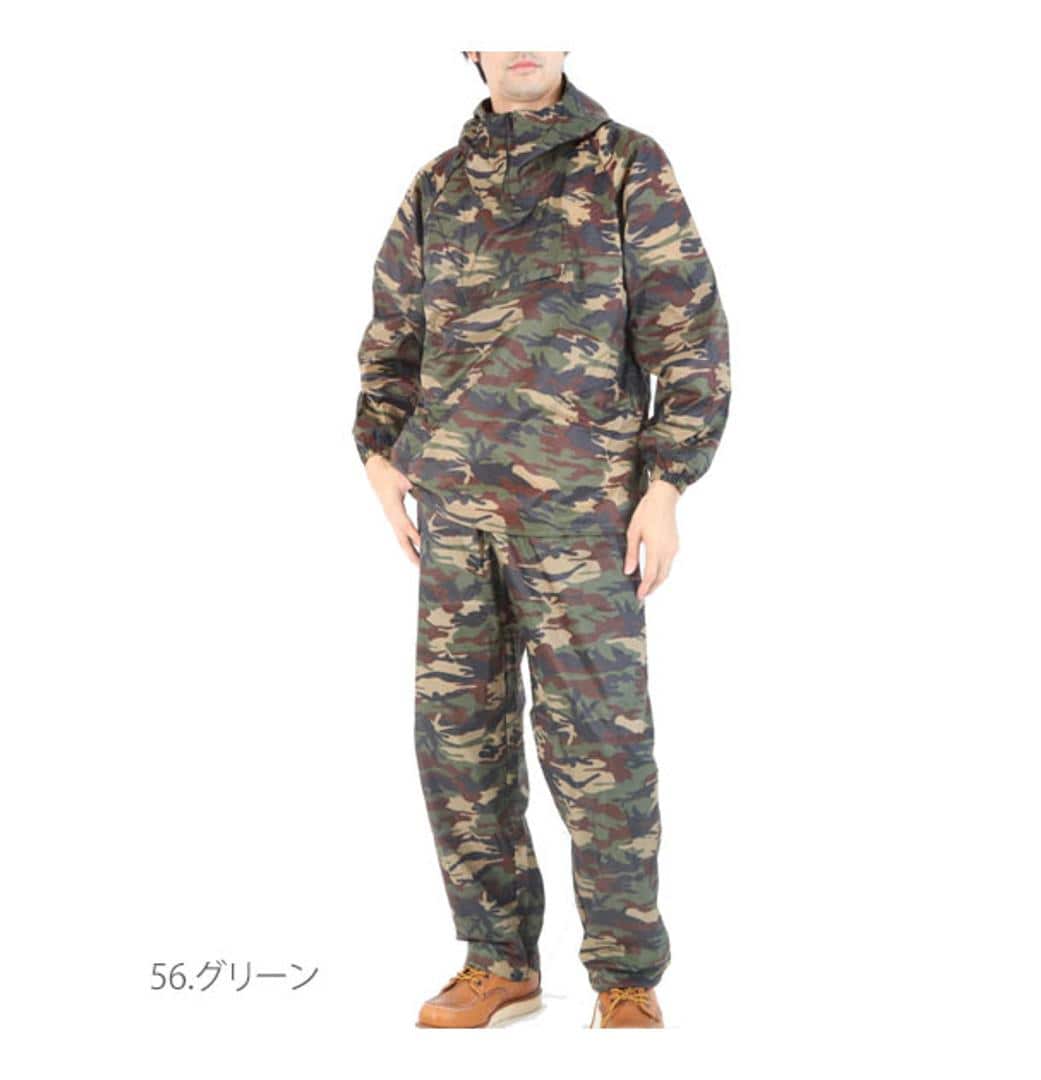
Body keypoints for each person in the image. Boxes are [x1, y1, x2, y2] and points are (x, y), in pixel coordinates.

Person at [353, 50, 731, 1029]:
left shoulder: (625, 164)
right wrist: (378, 453)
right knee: (458, 741)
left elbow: (689, 336)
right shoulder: (438, 185)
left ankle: (625, 977)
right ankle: (497, 959)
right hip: (456, 518)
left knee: (603, 742)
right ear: (469, 46)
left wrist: (668, 484)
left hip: (585, 516)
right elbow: (394, 334)